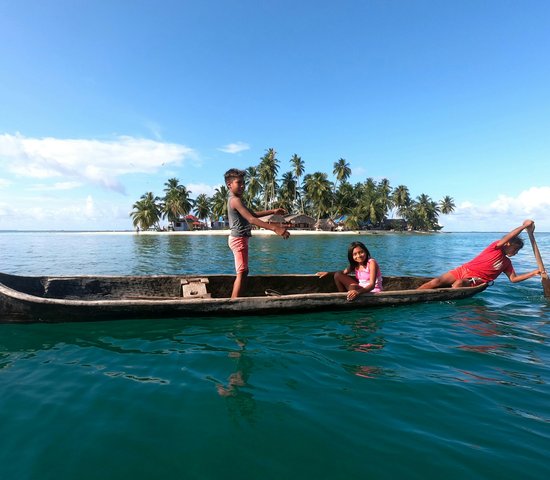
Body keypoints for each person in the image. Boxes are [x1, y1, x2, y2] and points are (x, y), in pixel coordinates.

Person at [418, 219, 542, 289]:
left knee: (459, 284)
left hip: (477, 280)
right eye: (515, 249)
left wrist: (534, 273)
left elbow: (513, 279)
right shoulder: (495, 247)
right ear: (507, 244)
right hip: (463, 270)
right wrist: (523, 226)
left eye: (518, 251)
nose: (516, 253)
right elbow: (510, 235)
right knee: (436, 282)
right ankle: (414, 292)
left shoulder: (506, 263)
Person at [225, 168, 290, 298]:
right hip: (238, 239)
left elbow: (252, 214)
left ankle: (237, 298)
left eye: (244, 183)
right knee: (242, 272)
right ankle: (234, 302)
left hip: (239, 239)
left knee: (244, 271)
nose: (243, 186)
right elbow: (251, 219)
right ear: (229, 185)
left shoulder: (236, 199)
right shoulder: (235, 200)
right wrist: (275, 228)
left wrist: (273, 211)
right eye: (239, 183)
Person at [317, 241, 383, 301]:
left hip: (372, 290)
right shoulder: (355, 264)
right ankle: (342, 296)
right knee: (338, 275)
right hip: (360, 288)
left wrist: (357, 292)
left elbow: (372, 285)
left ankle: (348, 298)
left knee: (352, 286)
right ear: (351, 256)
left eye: (361, 252)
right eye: (355, 254)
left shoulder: (371, 263)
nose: (359, 256)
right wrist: (328, 273)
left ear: (365, 251)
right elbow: (342, 273)